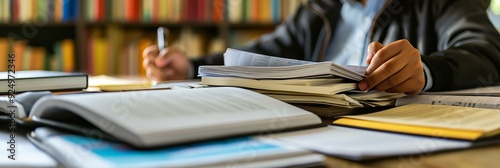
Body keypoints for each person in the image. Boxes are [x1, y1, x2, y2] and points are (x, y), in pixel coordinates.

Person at [143, 0, 500, 95]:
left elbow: (485, 50)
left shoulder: (443, 3)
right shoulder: (319, 9)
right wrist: (190, 66)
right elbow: (266, 54)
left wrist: (424, 71)